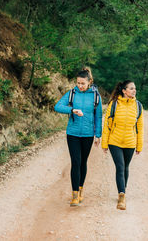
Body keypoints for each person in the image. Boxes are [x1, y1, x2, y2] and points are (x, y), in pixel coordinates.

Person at [54, 67, 102, 206]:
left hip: (88, 134)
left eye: (82, 83)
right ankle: (74, 194)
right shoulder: (72, 93)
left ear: (89, 82)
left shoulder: (95, 96)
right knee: (75, 161)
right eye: (78, 83)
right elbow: (57, 106)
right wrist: (72, 109)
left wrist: (98, 134)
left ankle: (81, 190)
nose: (80, 86)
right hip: (73, 133)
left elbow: (98, 116)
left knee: (83, 162)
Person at [102, 80, 143, 210]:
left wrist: (139, 145)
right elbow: (107, 125)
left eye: (134, 88)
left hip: (130, 142)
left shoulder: (138, 106)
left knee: (125, 167)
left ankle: (122, 191)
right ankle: (121, 196)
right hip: (115, 142)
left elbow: (140, 128)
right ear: (124, 91)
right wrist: (104, 143)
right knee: (120, 167)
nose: (134, 90)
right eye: (131, 88)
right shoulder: (114, 104)